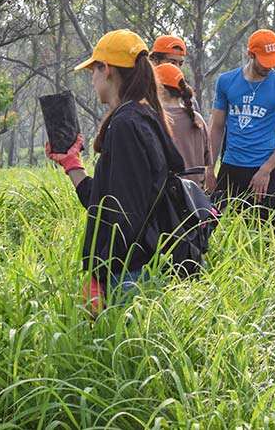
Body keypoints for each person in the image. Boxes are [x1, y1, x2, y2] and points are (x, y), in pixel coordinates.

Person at [46, 29, 183, 306]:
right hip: (140, 266)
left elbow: (122, 216)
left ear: (106, 69)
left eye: (93, 71)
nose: (93, 79)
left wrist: (99, 274)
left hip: (128, 274)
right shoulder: (143, 116)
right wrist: (72, 164)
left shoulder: (126, 124)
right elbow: (108, 201)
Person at [205, 29, 275, 226]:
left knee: (262, 236)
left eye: (273, 60)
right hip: (230, 168)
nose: (270, 66)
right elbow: (216, 127)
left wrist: (266, 169)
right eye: (265, 61)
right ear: (250, 55)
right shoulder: (226, 81)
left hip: (263, 170)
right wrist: (209, 169)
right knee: (212, 229)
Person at [154, 63, 212, 186]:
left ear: (161, 90)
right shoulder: (197, 119)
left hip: (168, 197)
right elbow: (207, 161)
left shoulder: (157, 120)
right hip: (196, 198)